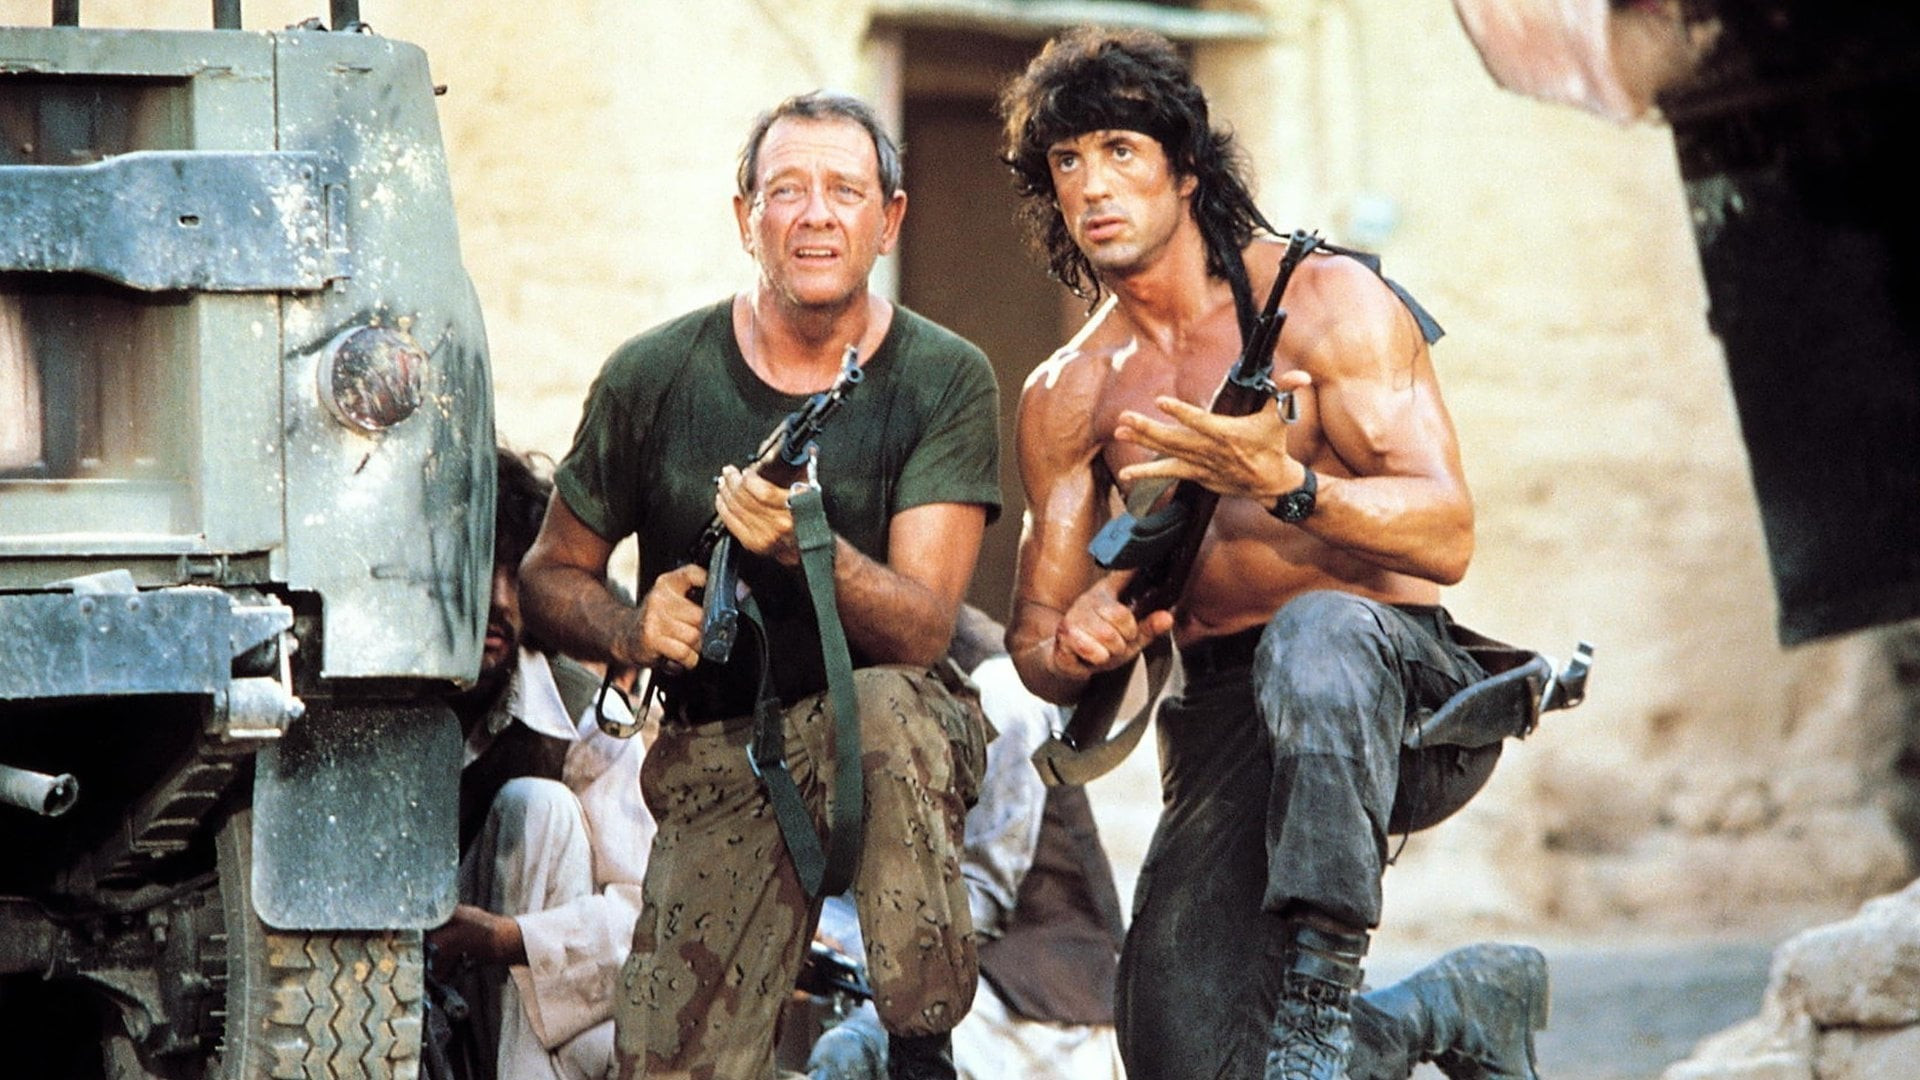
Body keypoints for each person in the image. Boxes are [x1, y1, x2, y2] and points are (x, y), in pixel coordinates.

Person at [998, 27, 1551, 1080]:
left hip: (1398, 691)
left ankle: (1320, 997)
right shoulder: (1069, 391)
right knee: (1175, 1059)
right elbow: (1035, 639)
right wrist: (1074, 646)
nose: (1093, 185)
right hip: (1229, 713)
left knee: (1317, 632)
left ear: (1186, 170)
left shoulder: (1325, 300)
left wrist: (1289, 486)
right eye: (1067, 161)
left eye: (1120, 150)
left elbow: (1448, 534)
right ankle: (1453, 1006)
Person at [518, 91, 1002, 1080]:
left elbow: (922, 631)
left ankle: (919, 1048)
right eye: (787, 191)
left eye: (845, 191)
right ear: (746, 217)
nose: (816, 215)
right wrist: (629, 628)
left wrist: (805, 543)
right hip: (720, 751)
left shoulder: (945, 378)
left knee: (892, 708)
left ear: (889, 219)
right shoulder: (653, 375)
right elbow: (545, 577)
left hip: (887, 738)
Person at [805, 604, 1127, 1080]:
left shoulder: (1005, 687)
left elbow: (980, 902)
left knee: (851, 1057)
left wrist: (833, 934)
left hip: (1036, 1018)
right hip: (946, 984)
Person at [430, 447, 656, 1080]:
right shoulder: (371, 703)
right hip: (391, 997)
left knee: (540, 809)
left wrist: (506, 939)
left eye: (517, 575)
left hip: (523, 1011)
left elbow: (647, 917)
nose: (500, 602)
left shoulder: (586, 714)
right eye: (480, 570)